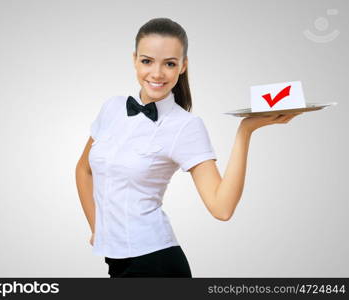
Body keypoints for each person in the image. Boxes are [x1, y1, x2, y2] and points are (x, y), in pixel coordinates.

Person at [75, 17, 302, 278]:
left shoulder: (186, 126)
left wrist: (245, 131)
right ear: (134, 59)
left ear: (183, 66)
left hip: (155, 263)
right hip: (115, 260)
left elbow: (222, 207)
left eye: (169, 63)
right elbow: (84, 171)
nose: (157, 74)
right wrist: (100, 230)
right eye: (147, 61)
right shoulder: (112, 108)